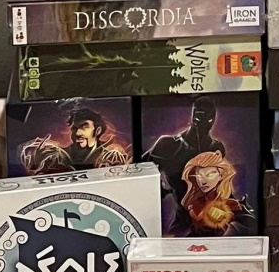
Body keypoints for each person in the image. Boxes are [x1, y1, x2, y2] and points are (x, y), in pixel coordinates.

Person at [143, 98, 227, 230]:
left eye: (208, 117)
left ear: (213, 118)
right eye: (199, 115)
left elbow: (221, 187)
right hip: (182, 222)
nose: (203, 120)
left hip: (212, 221)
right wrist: (164, 188)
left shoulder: (217, 148)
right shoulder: (168, 145)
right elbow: (140, 177)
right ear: (193, 115)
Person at [179, 150, 253, 236]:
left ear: (221, 175)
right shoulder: (192, 202)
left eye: (210, 174)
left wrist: (228, 216)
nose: (203, 181)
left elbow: (252, 225)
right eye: (198, 175)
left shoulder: (231, 205)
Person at [65, 106, 129, 169]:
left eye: (84, 127)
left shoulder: (109, 156)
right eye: (74, 129)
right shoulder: (63, 155)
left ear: (98, 131)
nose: (77, 133)